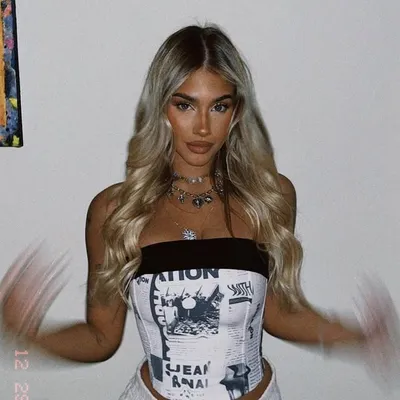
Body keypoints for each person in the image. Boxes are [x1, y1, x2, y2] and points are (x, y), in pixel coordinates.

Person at [0, 24, 398, 400]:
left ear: (236, 113)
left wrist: (356, 336)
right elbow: (101, 338)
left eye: (219, 106)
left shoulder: (270, 196)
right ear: (161, 108)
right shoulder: (115, 210)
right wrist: (30, 335)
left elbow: (276, 313)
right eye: (185, 105)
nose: (203, 127)